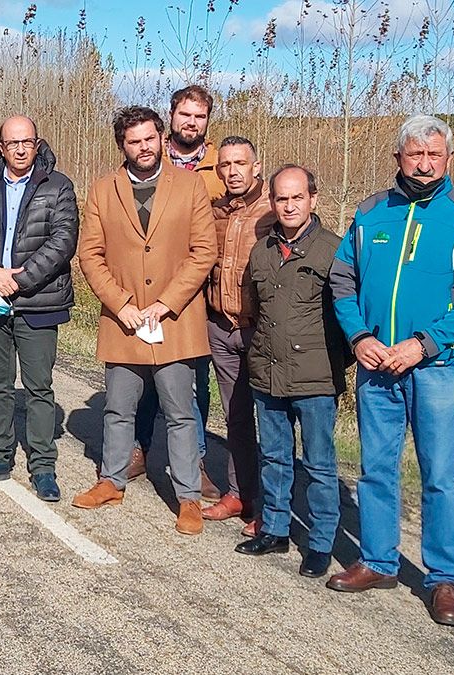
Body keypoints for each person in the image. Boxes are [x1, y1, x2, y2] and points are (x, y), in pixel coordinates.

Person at [327, 115, 454, 627]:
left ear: (448, 159)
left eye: (434, 155)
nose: (424, 165)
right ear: (397, 158)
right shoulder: (370, 212)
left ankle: (443, 578)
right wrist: (360, 337)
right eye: (414, 155)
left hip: (439, 369)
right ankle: (378, 561)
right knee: (376, 469)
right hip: (377, 366)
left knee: (440, 476)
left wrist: (422, 346)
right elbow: (342, 281)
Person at [71, 106, 218, 535]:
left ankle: (187, 496)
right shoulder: (103, 191)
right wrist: (122, 305)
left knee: (180, 412)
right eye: (134, 142)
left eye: (150, 139)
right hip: (124, 322)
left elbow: (203, 251)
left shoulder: (190, 186)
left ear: (161, 137)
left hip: (174, 320)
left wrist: (165, 303)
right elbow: (90, 255)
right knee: (118, 408)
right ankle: (111, 481)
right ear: (123, 146)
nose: (144, 147)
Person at [0, 115, 79, 502]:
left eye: (28, 141)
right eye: (13, 143)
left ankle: (42, 466)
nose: (22, 148)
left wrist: (19, 281)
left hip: (37, 303)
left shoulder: (58, 187)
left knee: (39, 388)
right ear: (0, 147)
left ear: (37, 144)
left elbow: (63, 240)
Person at [235, 165, 347, 579]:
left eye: (297, 197)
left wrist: (329, 361)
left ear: (313, 200)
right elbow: (259, 310)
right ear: (272, 202)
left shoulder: (334, 251)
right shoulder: (261, 251)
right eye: (282, 198)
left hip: (315, 376)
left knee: (318, 463)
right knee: (275, 455)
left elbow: (347, 318)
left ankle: (320, 542)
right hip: (268, 370)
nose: (289, 205)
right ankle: (276, 528)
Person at [126, 85, 224, 501]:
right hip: (148, 285)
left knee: (192, 381)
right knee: (145, 376)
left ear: (207, 121)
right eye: (184, 114)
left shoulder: (221, 168)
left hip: (197, 290)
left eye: (199, 117)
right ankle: (139, 448)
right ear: (172, 116)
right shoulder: (150, 154)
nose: (191, 122)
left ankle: (194, 460)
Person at [200, 136, 275, 537]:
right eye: (224, 165)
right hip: (221, 327)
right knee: (236, 417)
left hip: (262, 332)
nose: (232, 172)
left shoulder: (273, 211)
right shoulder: (213, 213)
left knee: (274, 421)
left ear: (256, 166)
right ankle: (240, 493)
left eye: (239, 164)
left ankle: (275, 508)